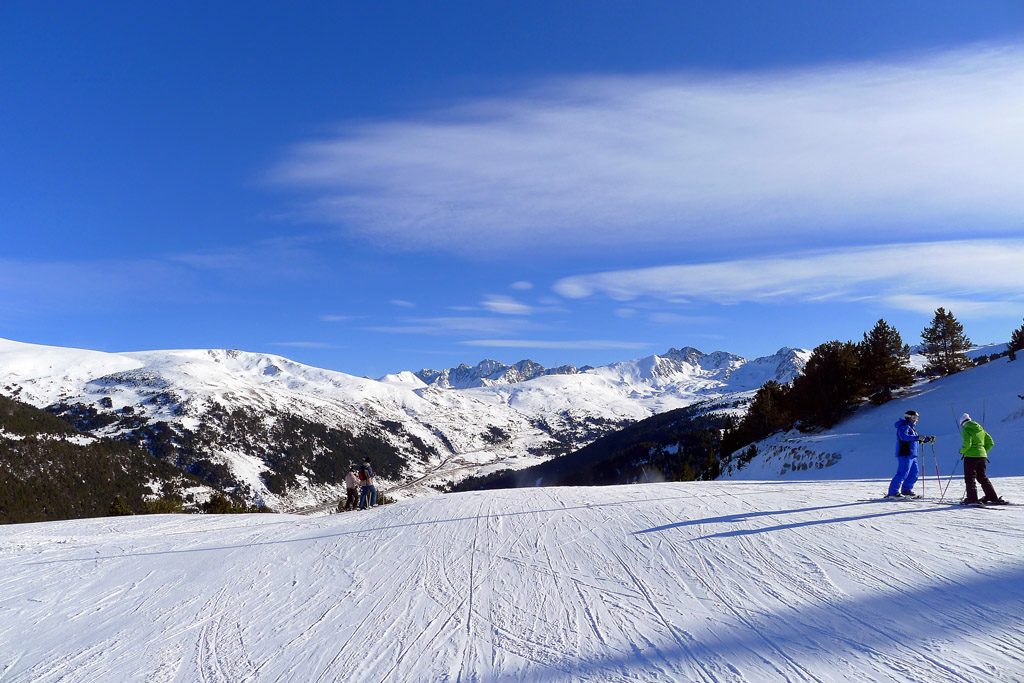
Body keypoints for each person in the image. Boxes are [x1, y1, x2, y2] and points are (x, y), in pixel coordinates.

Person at [958, 413, 1007, 505]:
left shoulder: (966, 430)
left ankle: (972, 499)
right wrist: (983, 451)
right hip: (982, 457)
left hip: (971, 456)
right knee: (982, 477)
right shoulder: (981, 429)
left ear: (962, 423)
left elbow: (967, 445)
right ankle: (992, 497)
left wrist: (961, 451)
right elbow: (991, 442)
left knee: (970, 477)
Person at [887, 410, 933, 498]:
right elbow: (904, 437)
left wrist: (927, 439)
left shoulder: (911, 428)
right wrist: (918, 437)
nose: (916, 420)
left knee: (914, 474)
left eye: (917, 418)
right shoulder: (903, 426)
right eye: (914, 418)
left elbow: (913, 440)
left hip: (912, 455)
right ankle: (893, 492)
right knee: (902, 473)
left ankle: (906, 490)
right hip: (905, 453)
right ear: (908, 417)